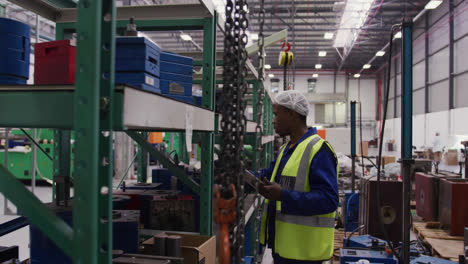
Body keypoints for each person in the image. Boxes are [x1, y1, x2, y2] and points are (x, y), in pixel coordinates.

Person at [257, 90, 339, 264]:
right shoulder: (287, 149)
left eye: (276, 114)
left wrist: (283, 196)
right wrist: (244, 176)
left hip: (305, 255)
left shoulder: (319, 150)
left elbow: (329, 200)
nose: (273, 120)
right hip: (283, 249)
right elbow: (269, 176)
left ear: (292, 114)